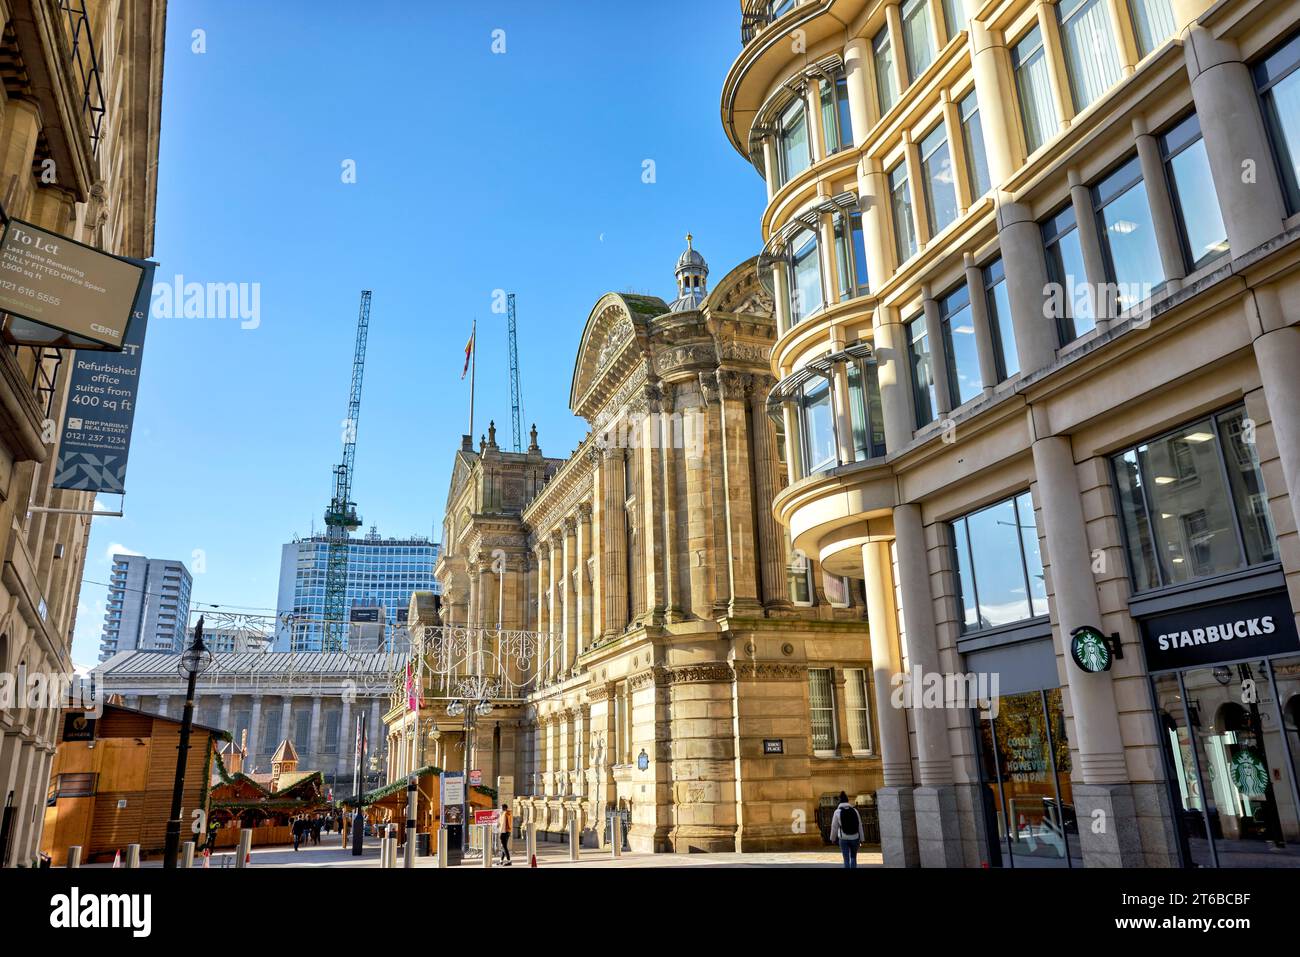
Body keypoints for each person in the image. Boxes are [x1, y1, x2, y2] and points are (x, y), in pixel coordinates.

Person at [828, 791, 862, 869]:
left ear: (839, 802)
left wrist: (832, 838)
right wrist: (862, 838)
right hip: (855, 837)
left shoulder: (837, 812)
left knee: (846, 859)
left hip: (843, 838)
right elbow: (859, 825)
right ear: (847, 801)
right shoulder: (855, 811)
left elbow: (834, 827)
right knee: (853, 857)